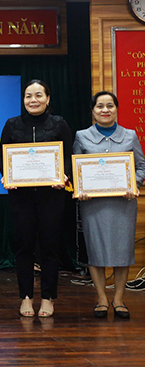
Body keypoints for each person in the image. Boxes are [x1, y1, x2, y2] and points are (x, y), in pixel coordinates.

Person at [0, 79, 73, 318]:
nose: (33, 100)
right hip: (22, 197)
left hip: (52, 195)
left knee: (50, 247)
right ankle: (26, 297)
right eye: (28, 96)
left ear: (48, 99)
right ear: (23, 100)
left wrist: (65, 176)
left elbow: (69, 156)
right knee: (24, 248)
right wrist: (7, 176)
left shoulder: (59, 124)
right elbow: (3, 157)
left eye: (39, 95)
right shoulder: (12, 125)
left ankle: (48, 298)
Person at [73, 91, 145, 319]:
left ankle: (119, 299)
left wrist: (135, 184)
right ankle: (102, 298)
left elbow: (141, 167)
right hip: (93, 204)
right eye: (100, 106)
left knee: (122, 250)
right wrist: (80, 189)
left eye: (110, 106)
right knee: (96, 250)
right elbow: (76, 170)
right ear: (93, 111)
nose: (105, 110)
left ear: (116, 109)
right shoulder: (82, 136)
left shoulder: (130, 136)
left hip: (123, 203)